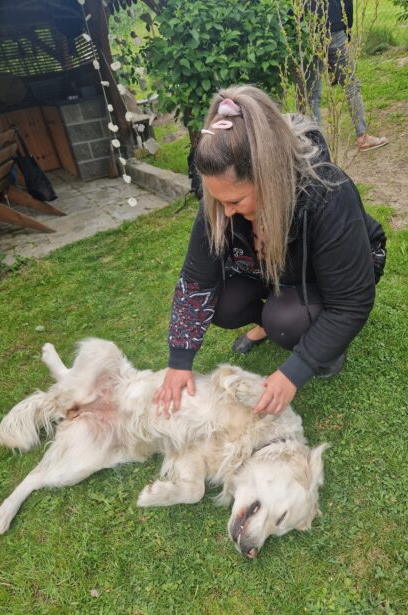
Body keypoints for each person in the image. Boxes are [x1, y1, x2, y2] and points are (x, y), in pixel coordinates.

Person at [155, 85, 386, 417]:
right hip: (269, 268)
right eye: (218, 200)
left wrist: (296, 371)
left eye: (236, 201)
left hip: (331, 274)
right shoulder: (222, 201)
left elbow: (351, 302)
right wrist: (179, 360)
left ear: (269, 177)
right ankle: (267, 320)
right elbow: (197, 281)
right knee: (222, 304)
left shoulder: (329, 194)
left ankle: (321, 343)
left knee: (287, 321)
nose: (226, 211)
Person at [300, 0, 388, 151]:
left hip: (308, 30)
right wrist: (347, 29)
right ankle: (362, 137)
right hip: (335, 26)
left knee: (312, 94)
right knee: (350, 85)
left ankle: (315, 146)